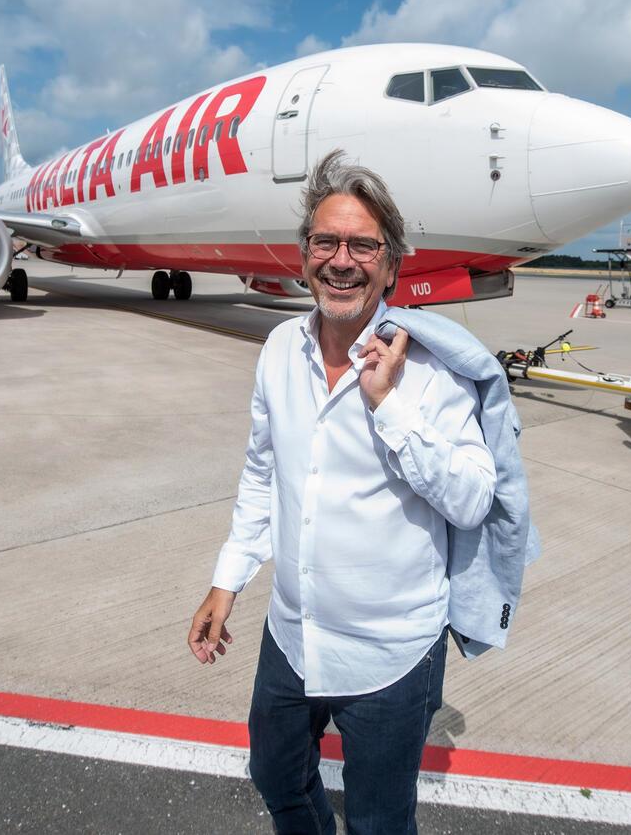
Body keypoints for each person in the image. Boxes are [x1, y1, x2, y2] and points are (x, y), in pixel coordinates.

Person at [187, 150, 505, 834]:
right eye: (326, 241)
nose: (342, 259)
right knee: (273, 774)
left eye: (364, 244)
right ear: (303, 256)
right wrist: (227, 579)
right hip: (292, 633)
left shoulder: (429, 368)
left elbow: (475, 498)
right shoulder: (278, 348)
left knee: (379, 821)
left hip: (390, 651)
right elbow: (262, 473)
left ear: (391, 265)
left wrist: (389, 404)